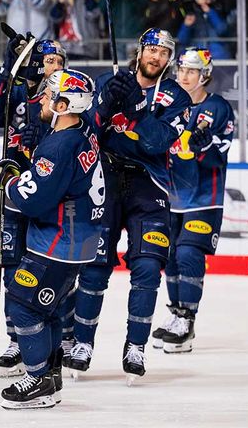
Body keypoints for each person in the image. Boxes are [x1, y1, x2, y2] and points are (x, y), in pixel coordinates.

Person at [64, 28, 191, 385]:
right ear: (139, 51)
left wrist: (137, 108)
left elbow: (156, 142)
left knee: (149, 267)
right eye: (151, 49)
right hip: (103, 180)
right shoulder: (108, 82)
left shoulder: (176, 97)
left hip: (147, 184)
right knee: (93, 268)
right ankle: (83, 344)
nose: (155, 57)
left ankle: (135, 347)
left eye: (163, 53)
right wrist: (104, 105)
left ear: (168, 60)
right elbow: (84, 130)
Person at [0, 68, 103, 409]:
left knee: (23, 306)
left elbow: (34, 198)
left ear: (64, 104)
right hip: (78, 239)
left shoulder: (57, 145)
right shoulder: (85, 130)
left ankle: (38, 380)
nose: (42, 98)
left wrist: (9, 179)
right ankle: (50, 376)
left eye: (50, 94)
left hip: (58, 242)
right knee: (47, 308)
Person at [0, 35, 69, 379]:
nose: (53, 68)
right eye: (46, 61)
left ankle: (58, 340)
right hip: (14, 194)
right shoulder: (18, 94)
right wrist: (7, 71)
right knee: (13, 264)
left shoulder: (69, 102)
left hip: (50, 201)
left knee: (50, 272)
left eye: (58, 62)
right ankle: (18, 339)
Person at [151, 47, 233, 353]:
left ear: (205, 75)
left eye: (192, 71)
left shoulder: (218, 107)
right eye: (182, 70)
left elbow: (219, 152)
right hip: (171, 196)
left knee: (187, 254)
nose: (185, 76)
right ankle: (176, 314)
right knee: (170, 256)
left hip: (204, 197)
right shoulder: (170, 106)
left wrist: (206, 144)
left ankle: (187, 319)